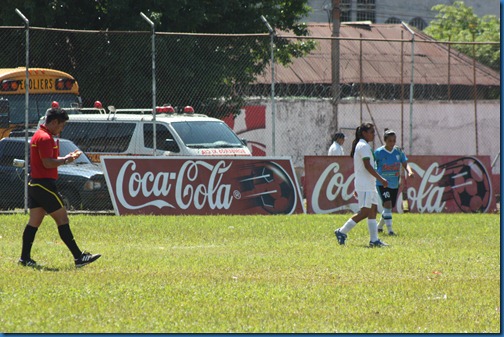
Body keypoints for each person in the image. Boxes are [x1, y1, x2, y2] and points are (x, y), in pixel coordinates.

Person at [18, 106, 101, 268]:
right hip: (44, 185)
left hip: (36, 184)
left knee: (34, 222)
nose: (62, 128)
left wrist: (67, 157)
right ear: (54, 122)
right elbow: (48, 162)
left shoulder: (40, 135)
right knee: (62, 219)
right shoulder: (45, 137)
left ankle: (24, 258)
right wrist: (67, 160)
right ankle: (79, 257)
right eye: (61, 125)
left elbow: (48, 159)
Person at [334, 122, 389, 247]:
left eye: (374, 132)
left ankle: (374, 240)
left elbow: (361, 168)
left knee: (372, 210)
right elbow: (367, 166)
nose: (373, 135)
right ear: (364, 133)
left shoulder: (364, 146)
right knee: (365, 212)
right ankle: (342, 231)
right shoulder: (363, 146)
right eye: (371, 132)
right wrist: (381, 179)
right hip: (365, 185)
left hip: (368, 184)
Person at [375, 129, 414, 235]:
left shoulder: (398, 151)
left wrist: (409, 171)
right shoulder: (378, 152)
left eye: (394, 140)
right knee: (387, 204)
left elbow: (405, 163)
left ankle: (379, 227)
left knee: (389, 206)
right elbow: (372, 166)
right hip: (382, 183)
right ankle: (390, 230)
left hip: (394, 184)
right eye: (390, 141)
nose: (392, 143)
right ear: (385, 141)